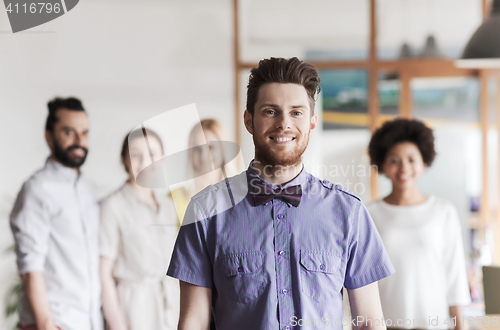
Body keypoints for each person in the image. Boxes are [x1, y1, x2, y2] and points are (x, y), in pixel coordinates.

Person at [167, 57, 395, 330]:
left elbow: (369, 322)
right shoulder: (204, 212)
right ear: (249, 121)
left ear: (311, 123)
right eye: (271, 111)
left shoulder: (349, 212)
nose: (284, 124)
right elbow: (193, 322)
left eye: (296, 112)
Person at [367, 118, 471, 330]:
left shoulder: (443, 212)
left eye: (412, 159)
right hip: (385, 324)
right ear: (383, 165)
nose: (404, 167)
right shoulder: (369, 214)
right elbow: (363, 279)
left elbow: (455, 276)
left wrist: (461, 325)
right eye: (394, 160)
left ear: (424, 164)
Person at [9, 97, 103, 330]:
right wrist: (46, 325)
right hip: (54, 323)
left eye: (85, 132)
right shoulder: (36, 189)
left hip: (89, 322)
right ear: (48, 136)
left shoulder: (88, 190)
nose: (80, 141)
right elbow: (30, 268)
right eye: (69, 132)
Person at [100, 128, 179, 330]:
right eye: (136, 155)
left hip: (170, 310)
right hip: (134, 312)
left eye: (152, 154)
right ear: (124, 160)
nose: (145, 162)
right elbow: (103, 274)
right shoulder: (112, 205)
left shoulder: (169, 206)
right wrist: (117, 326)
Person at [170, 119, 243, 224]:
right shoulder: (174, 199)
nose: (204, 156)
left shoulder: (241, 196)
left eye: (211, 147)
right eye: (197, 148)